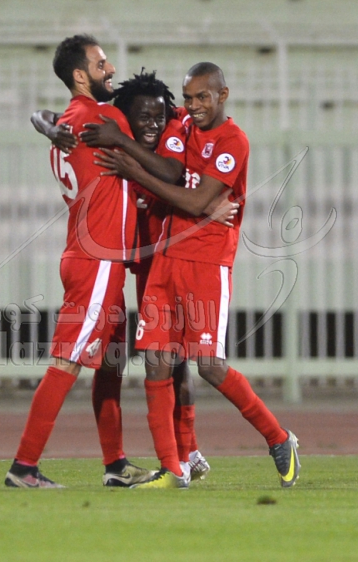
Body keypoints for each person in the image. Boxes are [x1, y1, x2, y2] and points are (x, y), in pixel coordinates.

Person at [94, 62, 301, 489]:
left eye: (202, 97)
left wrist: (136, 172)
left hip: (207, 264)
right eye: (188, 98)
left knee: (209, 366)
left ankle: (279, 438)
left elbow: (195, 200)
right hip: (166, 260)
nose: (193, 105)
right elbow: (161, 145)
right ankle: (174, 468)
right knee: (156, 363)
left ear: (223, 95)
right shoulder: (182, 123)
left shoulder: (233, 141)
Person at [33, 69, 239, 482]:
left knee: (172, 360)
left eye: (157, 117)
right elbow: (47, 114)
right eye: (143, 117)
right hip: (130, 261)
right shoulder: (113, 125)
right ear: (124, 116)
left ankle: (187, 450)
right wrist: (49, 128)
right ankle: (123, 463)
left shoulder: (169, 126)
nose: (152, 124)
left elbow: (174, 173)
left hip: (165, 258)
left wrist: (202, 203)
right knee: (118, 361)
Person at [5, 34, 155, 488]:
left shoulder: (68, 123)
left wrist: (42, 119)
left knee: (110, 362)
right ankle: (24, 467)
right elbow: (150, 155)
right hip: (99, 259)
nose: (111, 69)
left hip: (90, 255)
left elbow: (50, 118)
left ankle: (116, 465)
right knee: (67, 360)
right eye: (101, 63)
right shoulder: (105, 118)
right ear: (79, 74)